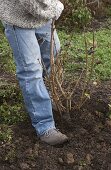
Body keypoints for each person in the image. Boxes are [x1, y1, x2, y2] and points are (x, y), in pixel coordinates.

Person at [0, 0, 68, 145]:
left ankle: (52, 99)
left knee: (54, 57)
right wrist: (56, 8)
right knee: (31, 70)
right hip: (17, 17)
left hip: (43, 14)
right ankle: (45, 126)